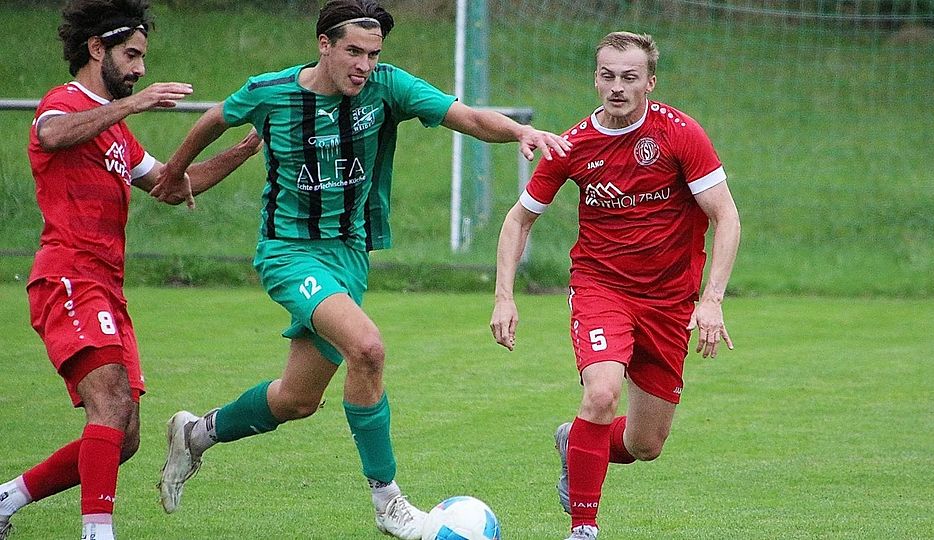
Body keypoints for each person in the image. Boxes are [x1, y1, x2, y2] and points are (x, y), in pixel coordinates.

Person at [151, 0, 571, 538]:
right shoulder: (270, 91)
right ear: (323, 44)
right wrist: (176, 171)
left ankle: (195, 435)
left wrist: (517, 133)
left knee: (297, 400)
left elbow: (464, 116)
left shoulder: (387, 87)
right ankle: (387, 500)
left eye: (373, 54)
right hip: (289, 253)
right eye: (353, 51)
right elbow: (215, 118)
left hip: (349, 257)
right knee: (367, 348)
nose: (364, 65)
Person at [0, 2, 262, 539]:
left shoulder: (117, 134)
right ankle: (98, 532)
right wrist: (135, 104)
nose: (141, 68)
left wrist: (250, 146)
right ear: (97, 48)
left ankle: (7, 498)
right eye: (132, 55)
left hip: (106, 287)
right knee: (111, 404)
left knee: (123, 437)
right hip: (68, 276)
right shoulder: (63, 103)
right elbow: (52, 135)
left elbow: (172, 186)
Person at [490, 32, 741, 540]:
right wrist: (504, 296)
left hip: (670, 301)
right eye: (608, 76)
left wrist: (712, 299)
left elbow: (726, 216)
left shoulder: (679, 133)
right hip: (602, 288)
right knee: (602, 394)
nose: (618, 87)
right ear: (595, 80)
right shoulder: (573, 146)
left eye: (630, 77)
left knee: (646, 445)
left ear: (650, 82)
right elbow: (519, 219)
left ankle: (576, 442)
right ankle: (583, 529)